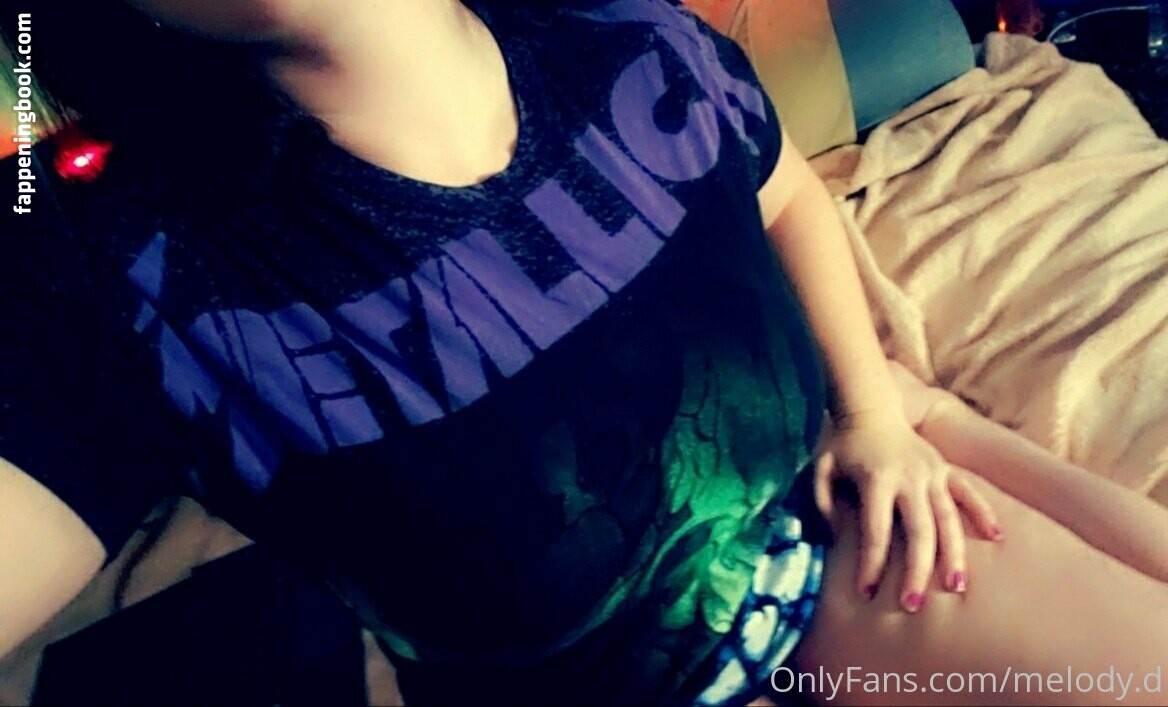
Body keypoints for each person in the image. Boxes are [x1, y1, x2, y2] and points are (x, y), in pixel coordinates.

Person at [1, 0, 1167, 704]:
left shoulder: (635, 40)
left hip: (823, 537)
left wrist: (871, 405)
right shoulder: (120, 278)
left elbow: (782, 191)